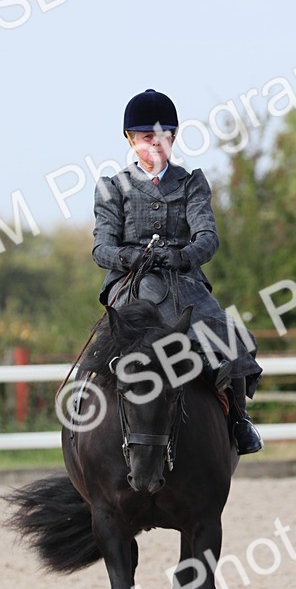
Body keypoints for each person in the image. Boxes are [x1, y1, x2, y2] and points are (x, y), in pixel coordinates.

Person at [91, 88, 263, 455]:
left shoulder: (191, 183)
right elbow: (100, 247)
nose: (154, 144)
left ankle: (239, 421)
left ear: (173, 138)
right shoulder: (111, 188)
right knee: (105, 350)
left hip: (183, 279)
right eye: (145, 137)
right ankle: (84, 419)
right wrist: (128, 259)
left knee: (225, 331)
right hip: (132, 282)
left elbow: (208, 238)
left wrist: (182, 257)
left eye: (162, 135)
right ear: (130, 139)